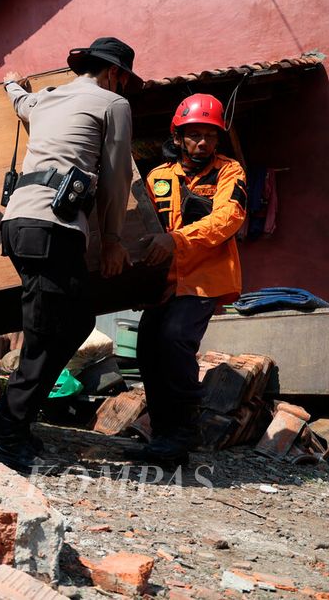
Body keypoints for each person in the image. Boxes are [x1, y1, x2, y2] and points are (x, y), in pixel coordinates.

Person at [0, 37, 140, 472]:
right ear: (114, 73)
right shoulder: (113, 103)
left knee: (72, 324)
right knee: (49, 334)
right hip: (54, 229)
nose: (123, 86)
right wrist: (112, 238)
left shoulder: (46, 100)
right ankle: (5, 435)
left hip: (18, 226)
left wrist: (13, 85)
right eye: (124, 78)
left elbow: (19, 101)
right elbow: (116, 175)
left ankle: (15, 418)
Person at [125, 93, 247, 466]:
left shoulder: (229, 172)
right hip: (163, 283)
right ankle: (163, 435)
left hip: (203, 280)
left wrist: (176, 240)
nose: (202, 143)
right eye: (194, 135)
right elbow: (139, 228)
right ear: (177, 137)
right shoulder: (157, 177)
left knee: (174, 339)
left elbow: (229, 218)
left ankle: (182, 432)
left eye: (210, 135)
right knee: (147, 349)